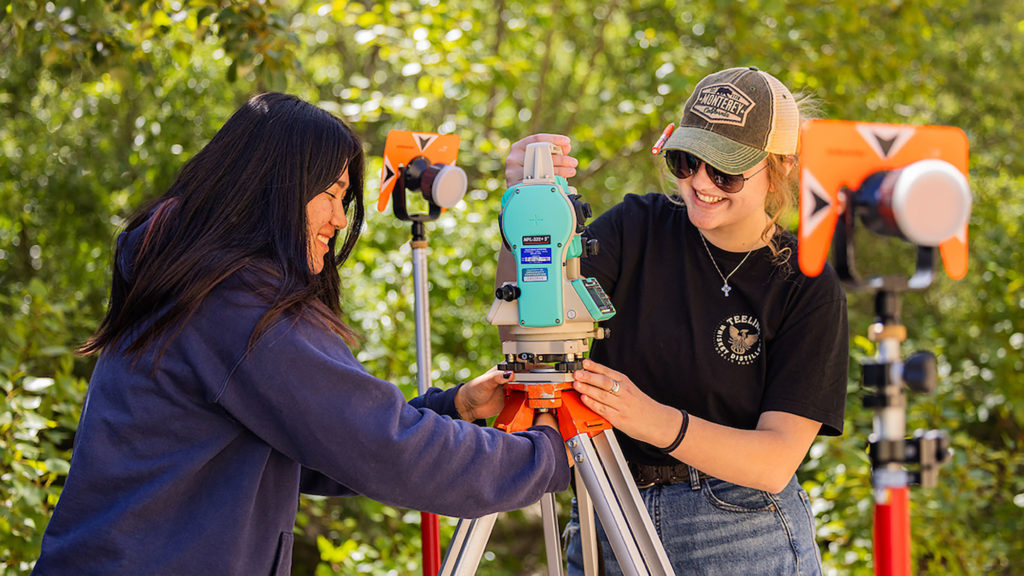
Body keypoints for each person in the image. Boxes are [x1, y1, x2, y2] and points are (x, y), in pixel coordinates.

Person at [33, 92, 570, 575]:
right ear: (278, 187)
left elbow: (312, 450)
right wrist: (547, 455)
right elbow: (383, 449)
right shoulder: (237, 302)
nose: (339, 219)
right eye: (332, 194)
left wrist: (454, 407)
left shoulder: (194, 282)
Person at [504, 67, 848, 574]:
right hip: (610, 511)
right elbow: (532, 305)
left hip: (739, 528)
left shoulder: (805, 283)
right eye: (686, 161)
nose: (700, 184)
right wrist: (527, 202)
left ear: (781, 169)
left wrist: (652, 419)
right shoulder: (635, 226)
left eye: (725, 171)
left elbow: (775, 463)